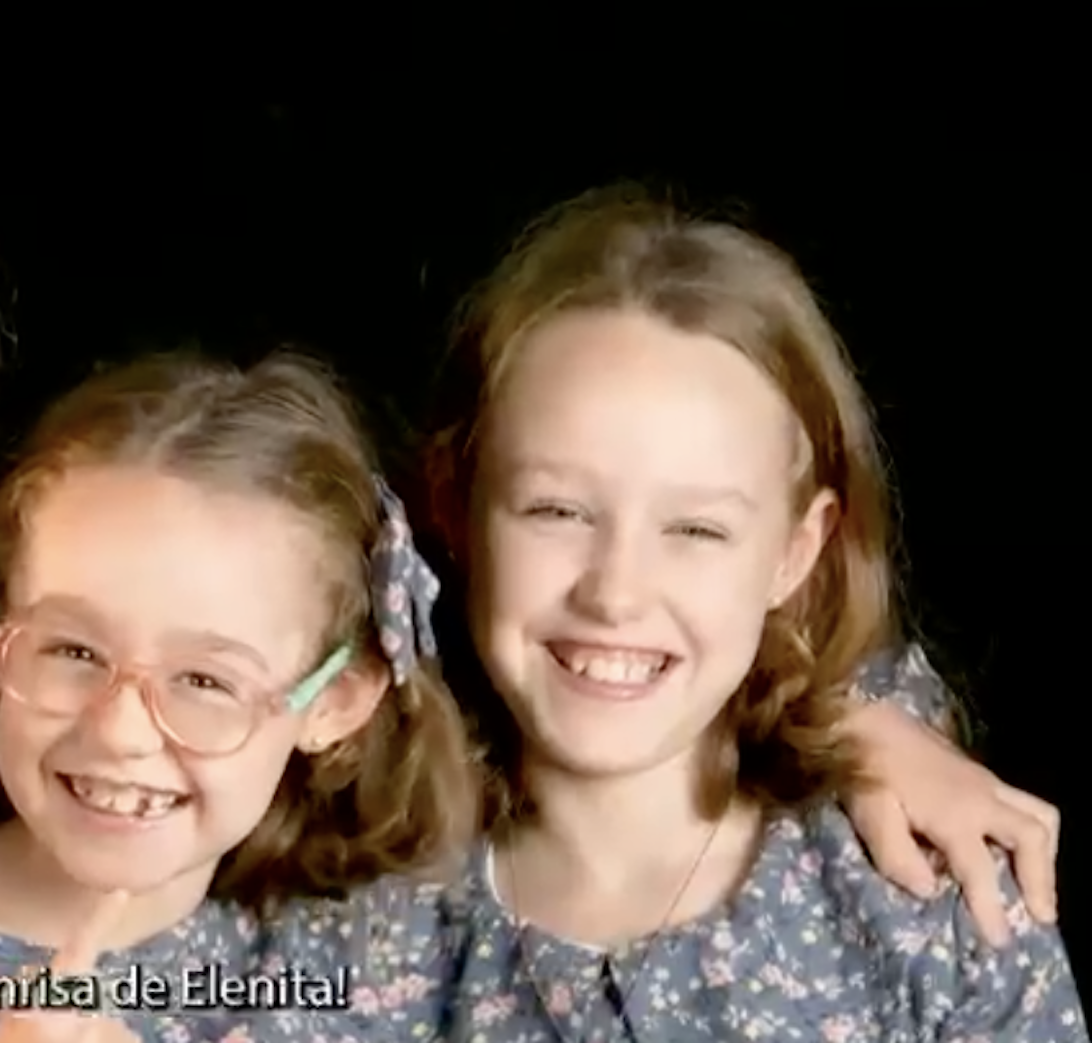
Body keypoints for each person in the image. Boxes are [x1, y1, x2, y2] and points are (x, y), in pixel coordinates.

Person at [317, 185, 1084, 1037]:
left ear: (794, 553)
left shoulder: (930, 911)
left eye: (695, 528)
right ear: (453, 504)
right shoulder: (337, 924)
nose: (614, 594)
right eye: (556, 511)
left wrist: (857, 717)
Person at [0, 352, 482, 1042]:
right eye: (75, 652)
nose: (120, 731)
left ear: (333, 703)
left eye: (205, 681)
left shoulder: (368, 949)